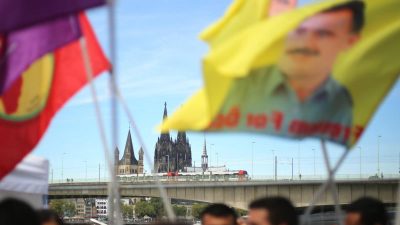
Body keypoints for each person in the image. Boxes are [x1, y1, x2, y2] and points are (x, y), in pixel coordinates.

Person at [214, 1, 365, 145]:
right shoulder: (246, 84)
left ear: (350, 42)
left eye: (323, 34)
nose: (307, 42)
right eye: (300, 31)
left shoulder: (343, 99)